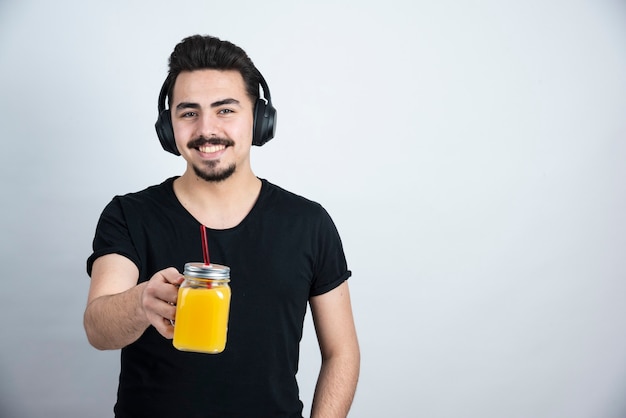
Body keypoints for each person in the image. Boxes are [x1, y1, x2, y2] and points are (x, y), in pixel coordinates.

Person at [83, 34, 360, 417]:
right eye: (188, 112)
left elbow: (341, 351)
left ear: (259, 120)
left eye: (225, 110)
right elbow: (98, 328)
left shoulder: (309, 223)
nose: (206, 129)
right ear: (169, 127)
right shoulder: (129, 215)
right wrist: (141, 300)